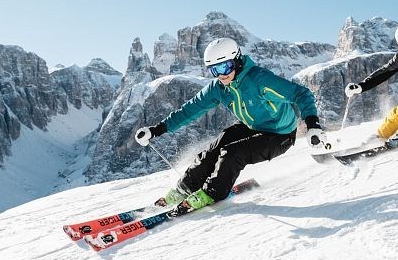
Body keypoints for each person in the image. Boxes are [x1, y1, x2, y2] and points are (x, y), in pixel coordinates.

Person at [135, 37, 327, 211]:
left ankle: (212, 193)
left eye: (225, 67)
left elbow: (301, 94)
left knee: (233, 154)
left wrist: (313, 124)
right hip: (252, 126)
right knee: (213, 151)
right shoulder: (218, 88)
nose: (221, 75)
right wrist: (157, 130)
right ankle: (183, 190)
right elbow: (190, 109)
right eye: (215, 70)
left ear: (237, 60)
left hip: (280, 134)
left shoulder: (259, 79)